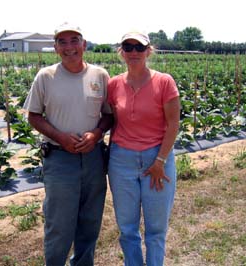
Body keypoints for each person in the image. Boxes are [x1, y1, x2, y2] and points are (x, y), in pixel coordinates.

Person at [24, 22, 113, 266]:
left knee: (90, 221)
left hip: (94, 158)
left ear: (84, 45)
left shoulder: (100, 75)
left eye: (74, 40)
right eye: (62, 42)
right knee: (59, 224)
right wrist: (60, 136)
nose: (69, 47)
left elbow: (108, 114)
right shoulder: (46, 77)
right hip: (60, 158)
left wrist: (96, 134)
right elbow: (33, 116)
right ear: (55, 48)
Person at [107, 30, 180, 266]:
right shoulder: (114, 84)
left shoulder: (164, 82)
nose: (134, 52)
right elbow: (111, 121)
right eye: (128, 47)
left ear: (149, 51)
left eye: (139, 47)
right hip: (121, 162)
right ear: (122, 52)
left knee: (156, 229)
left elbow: (173, 124)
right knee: (127, 228)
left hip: (156, 159)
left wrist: (160, 161)